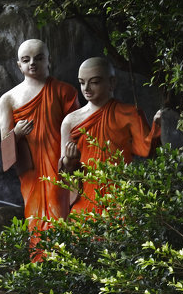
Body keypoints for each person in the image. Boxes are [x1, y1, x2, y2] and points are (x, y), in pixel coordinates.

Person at [59, 57, 162, 215]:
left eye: (94, 82)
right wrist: (69, 161)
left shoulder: (129, 114)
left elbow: (148, 150)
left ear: (112, 82)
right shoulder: (70, 121)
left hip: (120, 195)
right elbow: (64, 172)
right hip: (87, 195)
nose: (86, 88)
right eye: (81, 82)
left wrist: (157, 126)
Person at [0, 39, 80, 235]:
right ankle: (40, 259)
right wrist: (16, 133)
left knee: (61, 210)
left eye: (38, 58)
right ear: (19, 65)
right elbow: (5, 144)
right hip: (31, 169)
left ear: (49, 60)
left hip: (60, 163)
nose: (32, 63)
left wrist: (70, 159)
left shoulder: (65, 91)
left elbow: (77, 132)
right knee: (35, 217)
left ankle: (63, 260)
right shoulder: (8, 99)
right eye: (26, 60)